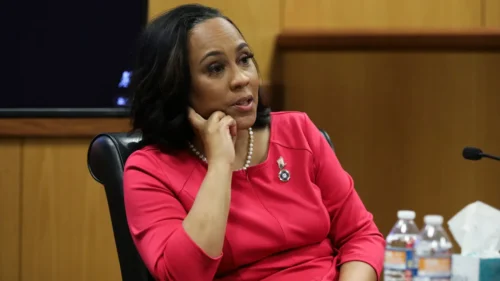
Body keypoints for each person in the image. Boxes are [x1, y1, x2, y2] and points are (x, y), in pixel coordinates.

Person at [123, 4, 385, 281]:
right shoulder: (148, 171)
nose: (242, 78)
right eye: (215, 68)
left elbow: (361, 236)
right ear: (174, 86)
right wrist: (220, 165)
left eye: (245, 59)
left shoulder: (298, 132)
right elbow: (185, 275)